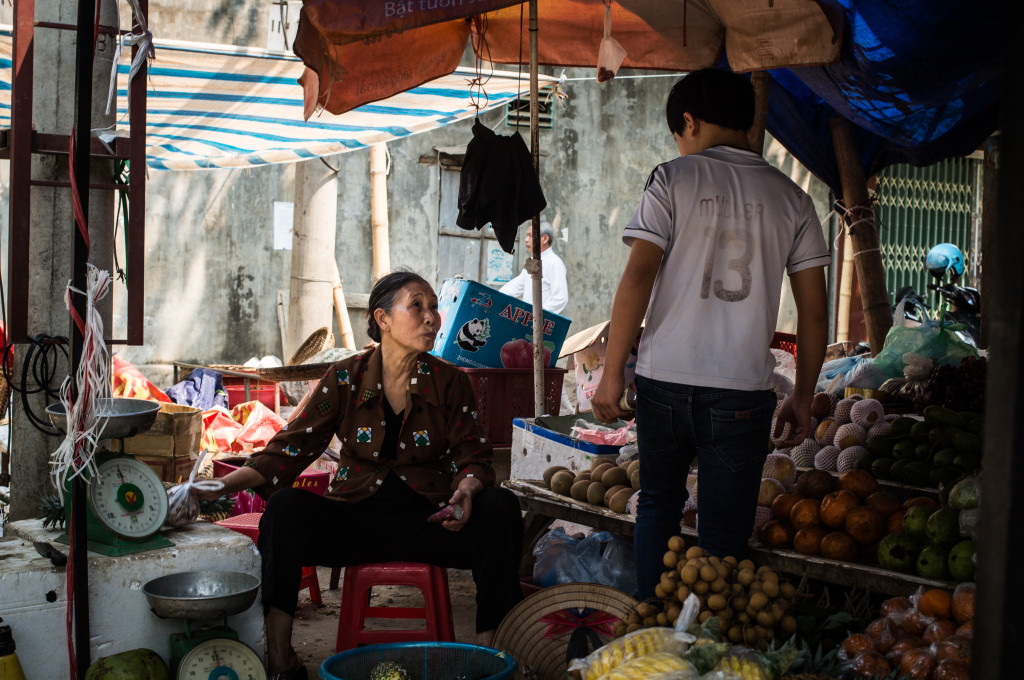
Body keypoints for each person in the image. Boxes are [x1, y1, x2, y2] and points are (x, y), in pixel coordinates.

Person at [195, 271, 524, 680]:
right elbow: (291, 447)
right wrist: (222, 485)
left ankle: (488, 653)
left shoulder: (450, 381)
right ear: (382, 319)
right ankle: (281, 656)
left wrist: (467, 492)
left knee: (502, 507)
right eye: (417, 305)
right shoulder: (346, 376)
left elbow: (473, 457)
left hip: (431, 520)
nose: (432, 317)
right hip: (355, 519)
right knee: (285, 509)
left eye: (434, 307)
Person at [591, 69, 829, 600]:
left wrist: (611, 373)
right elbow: (815, 315)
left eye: (679, 133)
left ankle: (651, 626)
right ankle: (707, 644)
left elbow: (638, 275)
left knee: (658, 503)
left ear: (689, 122)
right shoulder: (793, 198)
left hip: (664, 381)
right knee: (725, 528)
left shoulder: (672, 178)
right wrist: (804, 395)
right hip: (742, 389)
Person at [499, 220, 569, 314]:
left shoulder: (555, 263)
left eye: (530, 236)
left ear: (545, 239)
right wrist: (496, 296)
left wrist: (538, 315)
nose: (526, 239)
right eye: (527, 236)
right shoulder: (532, 260)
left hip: (541, 323)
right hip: (528, 321)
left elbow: (560, 299)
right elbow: (517, 285)